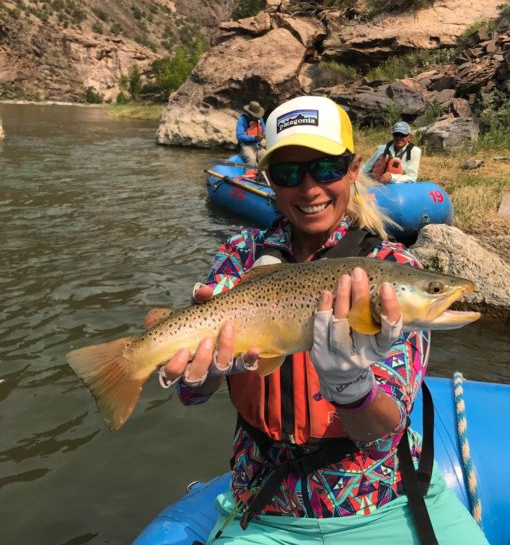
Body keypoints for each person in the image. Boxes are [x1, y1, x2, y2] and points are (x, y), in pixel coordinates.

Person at [149, 96, 486, 545]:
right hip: (264, 508)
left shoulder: (390, 263)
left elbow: (382, 433)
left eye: (326, 168)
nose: (308, 189)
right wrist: (202, 377)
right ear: (270, 180)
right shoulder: (239, 257)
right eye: (288, 173)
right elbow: (193, 394)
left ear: (353, 168)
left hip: (389, 497)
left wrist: (353, 390)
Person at [236, 100, 266, 165]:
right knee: (251, 159)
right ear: (250, 113)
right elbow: (239, 136)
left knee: (266, 157)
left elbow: (264, 131)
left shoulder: (260, 119)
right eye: (255, 115)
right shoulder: (242, 119)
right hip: (246, 146)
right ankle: (250, 174)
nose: (257, 117)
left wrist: (264, 135)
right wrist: (254, 138)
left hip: (258, 146)